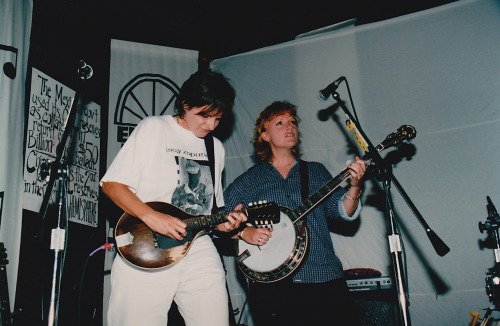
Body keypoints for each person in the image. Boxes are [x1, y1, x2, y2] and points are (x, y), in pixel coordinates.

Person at [101, 70, 247, 326]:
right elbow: (113, 185)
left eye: (218, 118)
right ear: (185, 105)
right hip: (147, 244)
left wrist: (227, 225)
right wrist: (153, 217)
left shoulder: (216, 148)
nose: (211, 125)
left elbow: (212, 210)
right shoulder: (154, 128)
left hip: (198, 245)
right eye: (204, 115)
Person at [223, 100, 366, 326]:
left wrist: (355, 186)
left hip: (324, 275)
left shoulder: (316, 171)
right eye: (279, 123)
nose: (289, 127)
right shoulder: (248, 181)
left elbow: (340, 211)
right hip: (273, 285)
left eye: (292, 122)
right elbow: (220, 224)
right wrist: (245, 232)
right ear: (264, 136)